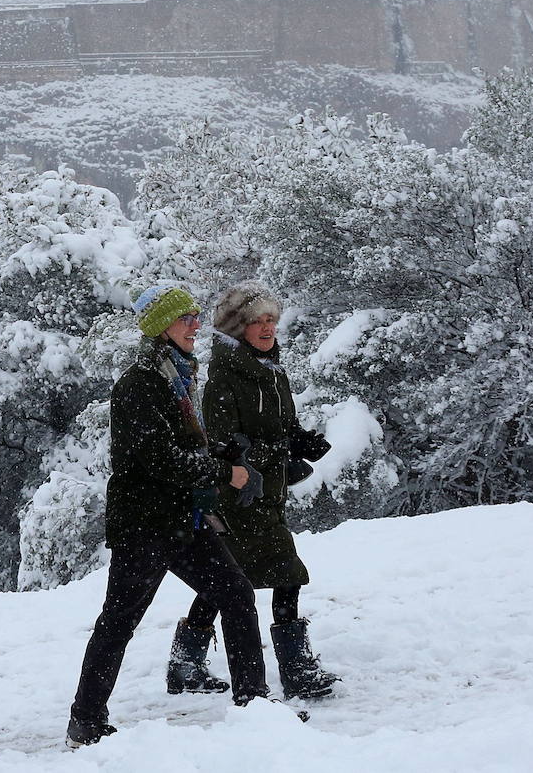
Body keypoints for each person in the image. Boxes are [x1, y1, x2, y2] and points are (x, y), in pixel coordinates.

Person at [66, 285, 272, 749]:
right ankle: (86, 720)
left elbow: (181, 448)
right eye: (186, 318)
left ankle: (255, 706)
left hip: (181, 519)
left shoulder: (176, 378)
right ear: (161, 326)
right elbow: (157, 459)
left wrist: (223, 451)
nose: (196, 324)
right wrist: (225, 472)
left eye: (197, 316)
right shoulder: (140, 383)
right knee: (119, 620)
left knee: (236, 594)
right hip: (145, 524)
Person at [166, 281, 341, 701]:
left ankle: (185, 664)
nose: (267, 329)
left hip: (269, 495)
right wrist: (282, 448)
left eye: (271, 320)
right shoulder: (226, 377)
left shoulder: (271, 370)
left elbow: (279, 427)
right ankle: (296, 669)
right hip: (240, 498)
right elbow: (226, 444)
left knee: (227, 582)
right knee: (285, 574)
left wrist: (300, 439)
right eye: (257, 321)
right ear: (236, 328)